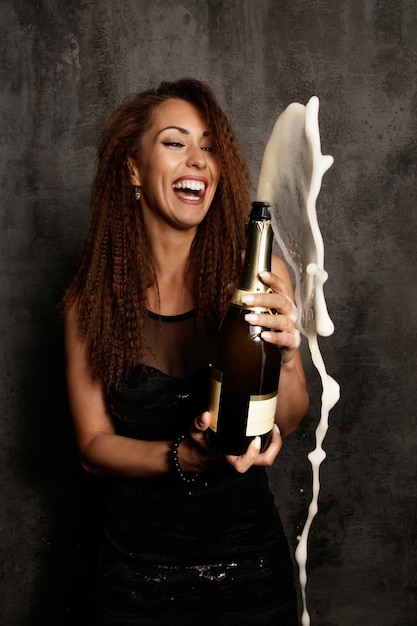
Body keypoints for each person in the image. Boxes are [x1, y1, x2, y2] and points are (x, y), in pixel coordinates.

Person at [62, 78, 309, 625]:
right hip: (133, 578)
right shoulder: (92, 299)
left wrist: (287, 361)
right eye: (175, 142)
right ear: (133, 170)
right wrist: (185, 456)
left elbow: (288, 419)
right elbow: (91, 446)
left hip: (250, 574)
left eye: (210, 145)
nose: (199, 159)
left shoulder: (259, 276)